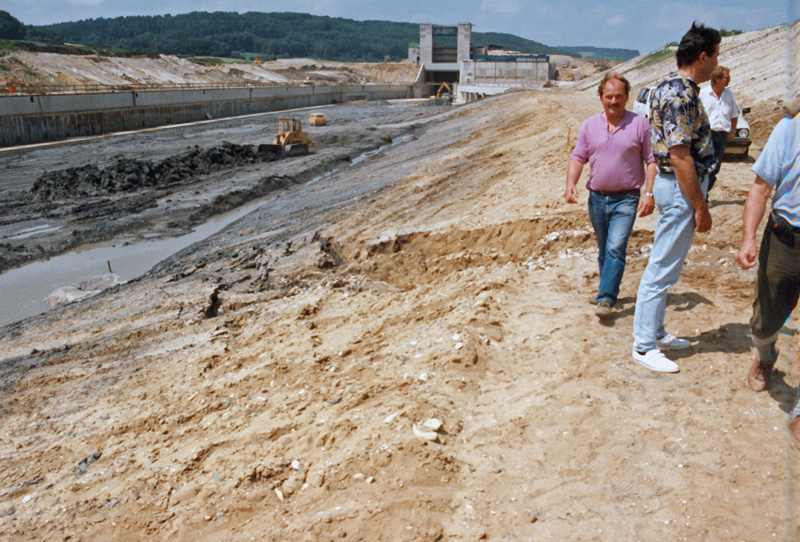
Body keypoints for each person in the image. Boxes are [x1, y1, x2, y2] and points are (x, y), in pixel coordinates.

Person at [631, 23, 720, 373]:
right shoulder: (680, 95)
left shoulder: (667, 86)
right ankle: (643, 346)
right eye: (715, 55)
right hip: (681, 187)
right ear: (702, 56)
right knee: (661, 269)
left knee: (665, 264)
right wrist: (701, 206)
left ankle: (656, 331)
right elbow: (680, 155)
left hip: (674, 185)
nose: (716, 62)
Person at [565, 72, 656, 319]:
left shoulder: (640, 124)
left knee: (616, 247)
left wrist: (649, 193)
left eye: (618, 96)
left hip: (626, 198)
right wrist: (570, 183)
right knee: (605, 249)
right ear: (601, 98)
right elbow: (577, 157)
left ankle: (605, 298)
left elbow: (651, 160)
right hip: (596, 197)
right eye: (608, 96)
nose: (613, 101)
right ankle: (607, 289)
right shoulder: (589, 125)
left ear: (627, 97)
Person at [735, 108, 800, 447]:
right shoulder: (789, 131)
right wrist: (748, 238)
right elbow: (760, 189)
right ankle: (765, 355)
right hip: (786, 238)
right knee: (765, 320)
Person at [700, 66, 740, 194]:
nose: (729, 80)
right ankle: (701, 196)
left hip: (721, 135)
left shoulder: (729, 95)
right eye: (726, 78)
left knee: (715, 168)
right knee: (704, 165)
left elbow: (734, 114)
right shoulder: (703, 93)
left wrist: (732, 131)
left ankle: (704, 192)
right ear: (717, 79)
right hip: (706, 134)